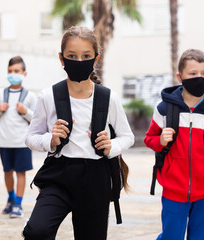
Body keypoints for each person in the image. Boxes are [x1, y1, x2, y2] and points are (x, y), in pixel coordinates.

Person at [22, 26, 134, 240]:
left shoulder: (108, 98)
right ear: (61, 58)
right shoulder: (48, 96)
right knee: (37, 231)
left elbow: (127, 137)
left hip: (95, 178)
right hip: (59, 174)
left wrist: (111, 146)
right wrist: (50, 140)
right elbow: (30, 137)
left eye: (86, 56)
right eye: (72, 56)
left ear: (96, 59)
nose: (79, 61)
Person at [144, 49, 204, 239]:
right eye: (193, 74)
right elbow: (149, 139)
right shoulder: (164, 109)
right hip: (173, 189)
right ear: (180, 77)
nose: (199, 78)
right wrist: (161, 141)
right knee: (172, 236)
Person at [0, 56, 37, 218]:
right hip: (4, 140)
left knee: (21, 172)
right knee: (7, 171)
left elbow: (36, 119)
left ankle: (18, 204)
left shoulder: (30, 96)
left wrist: (25, 112)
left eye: (16, 71)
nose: (13, 74)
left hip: (22, 142)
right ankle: (10, 198)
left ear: (24, 73)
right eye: (10, 71)